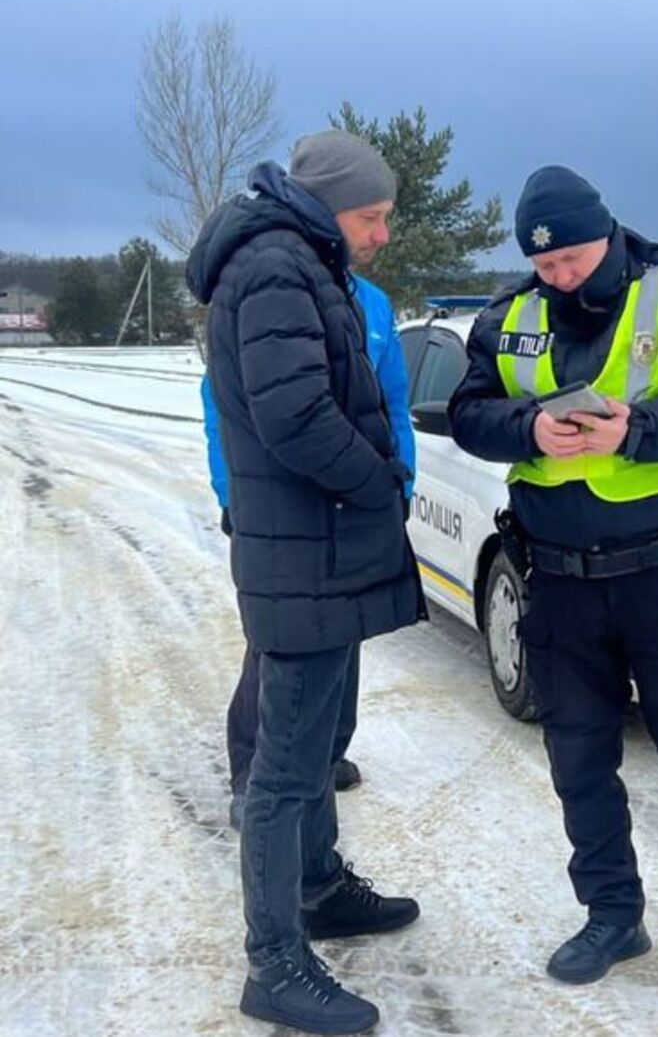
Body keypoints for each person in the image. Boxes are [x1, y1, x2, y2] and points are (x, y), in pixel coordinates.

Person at [446, 166, 658, 1017]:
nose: (561, 278)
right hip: (556, 582)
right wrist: (527, 427)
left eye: (575, 261)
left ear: (607, 234)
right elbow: (468, 412)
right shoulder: (509, 317)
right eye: (545, 265)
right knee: (579, 763)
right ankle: (612, 916)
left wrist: (641, 430)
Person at [187, 130, 423, 1035]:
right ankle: (275, 964)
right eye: (373, 217)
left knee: (318, 743)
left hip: (318, 551)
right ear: (328, 206)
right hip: (304, 551)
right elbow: (295, 416)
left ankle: (320, 888)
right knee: (284, 773)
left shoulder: (296, 260)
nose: (382, 234)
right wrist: (380, 480)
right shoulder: (276, 268)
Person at [206, 269, 414, 829]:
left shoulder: (372, 301)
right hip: (282, 508)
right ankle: (252, 768)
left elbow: (393, 397)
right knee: (278, 643)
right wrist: (232, 492)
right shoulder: (274, 290)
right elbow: (223, 407)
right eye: (368, 219)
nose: (379, 236)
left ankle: (326, 752)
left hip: (359, 500)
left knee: (345, 631)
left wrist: (404, 481)